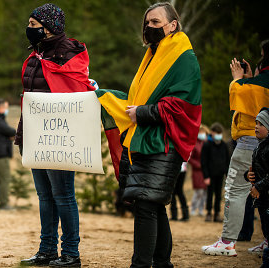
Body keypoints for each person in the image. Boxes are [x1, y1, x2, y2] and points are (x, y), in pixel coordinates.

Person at [96, 2, 201, 267]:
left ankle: (141, 264)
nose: (149, 27)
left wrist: (142, 113)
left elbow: (184, 105)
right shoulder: (154, 55)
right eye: (147, 23)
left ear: (172, 25)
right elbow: (138, 99)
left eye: (155, 22)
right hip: (145, 141)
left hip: (163, 143)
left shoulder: (183, 58)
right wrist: (103, 94)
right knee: (152, 205)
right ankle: (163, 264)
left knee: (145, 206)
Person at [17, 3, 95, 267]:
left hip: (60, 139)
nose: (28, 30)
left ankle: (71, 253)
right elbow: (29, 100)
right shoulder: (35, 56)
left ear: (48, 29)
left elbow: (75, 94)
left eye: (33, 25)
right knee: (45, 197)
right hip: (37, 139)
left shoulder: (67, 56)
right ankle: (46, 250)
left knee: (63, 196)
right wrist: (22, 135)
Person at [202, 39, 269, 256]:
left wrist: (239, 80)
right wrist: (252, 79)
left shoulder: (258, 83)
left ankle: (227, 242)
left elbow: (238, 96)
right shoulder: (259, 83)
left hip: (249, 142)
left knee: (235, 191)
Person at [244, 108, 269, 262]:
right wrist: (248, 175)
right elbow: (257, 169)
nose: (256, 126)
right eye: (256, 123)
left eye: (262, 124)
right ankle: (266, 242)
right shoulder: (259, 146)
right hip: (262, 195)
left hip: (265, 193)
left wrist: (258, 186)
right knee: (264, 222)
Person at [200, 122, 230, 222]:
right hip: (210, 175)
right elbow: (203, 161)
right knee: (209, 194)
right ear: (212, 132)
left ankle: (216, 214)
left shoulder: (224, 145)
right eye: (216, 133)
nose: (218, 135)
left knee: (218, 195)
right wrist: (206, 176)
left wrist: (227, 174)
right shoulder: (207, 145)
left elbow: (227, 160)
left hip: (220, 174)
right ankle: (208, 213)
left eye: (220, 133)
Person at [189, 124, 209, 217]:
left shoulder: (207, 143)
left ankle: (201, 210)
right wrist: (198, 165)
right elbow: (190, 158)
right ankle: (193, 209)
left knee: (205, 192)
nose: (202, 134)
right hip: (197, 171)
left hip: (207, 171)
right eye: (200, 133)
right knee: (198, 191)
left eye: (203, 133)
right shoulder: (194, 143)